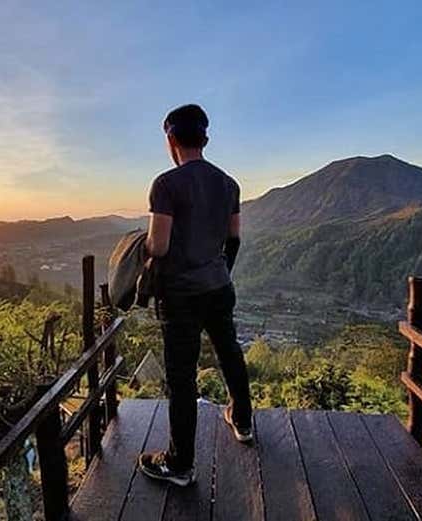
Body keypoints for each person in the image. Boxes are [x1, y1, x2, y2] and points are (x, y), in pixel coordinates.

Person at [138, 104, 253, 487]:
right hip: (219, 287)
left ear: (171, 139)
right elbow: (233, 238)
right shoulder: (229, 184)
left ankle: (180, 463)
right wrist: (218, 271)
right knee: (229, 352)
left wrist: (140, 250)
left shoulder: (166, 185)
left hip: (181, 295)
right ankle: (243, 421)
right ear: (204, 139)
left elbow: (159, 245)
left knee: (182, 377)